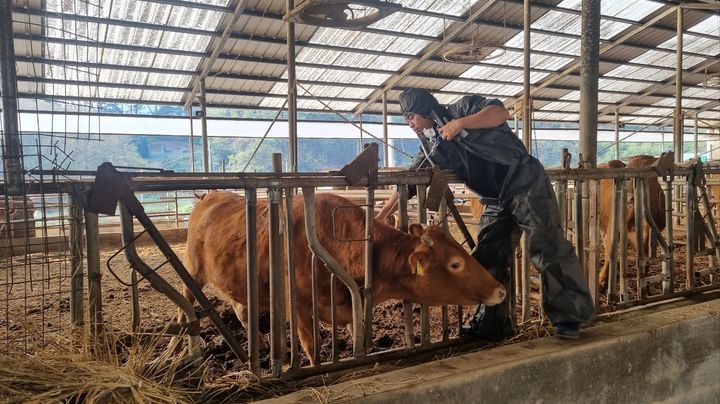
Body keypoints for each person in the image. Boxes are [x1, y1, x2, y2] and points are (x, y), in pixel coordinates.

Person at [375, 88, 595, 340]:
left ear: (425, 109)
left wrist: (460, 124)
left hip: (524, 182)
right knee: (487, 255)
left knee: (546, 244)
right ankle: (491, 324)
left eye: (411, 116)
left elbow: (500, 113)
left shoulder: (464, 108)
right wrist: (379, 219)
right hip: (494, 198)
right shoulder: (431, 145)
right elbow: (410, 181)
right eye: (406, 119)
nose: (410, 123)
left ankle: (569, 319)